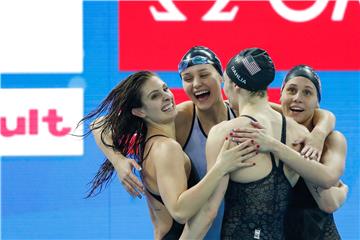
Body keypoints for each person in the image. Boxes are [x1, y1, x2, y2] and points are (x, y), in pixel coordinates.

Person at [92, 46, 336, 239]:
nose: (196, 83)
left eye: (204, 74)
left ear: (222, 78)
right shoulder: (179, 119)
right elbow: (100, 123)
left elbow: (319, 115)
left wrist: (318, 134)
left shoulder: (242, 114)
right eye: (188, 78)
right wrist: (118, 160)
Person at [81, 71, 258, 239]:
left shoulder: (147, 141)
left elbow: (99, 124)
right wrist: (221, 166)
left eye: (165, 89)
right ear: (140, 111)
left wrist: (118, 160)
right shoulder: (167, 148)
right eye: (154, 96)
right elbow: (179, 211)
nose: (166, 96)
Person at [232, 65, 348, 239]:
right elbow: (243, 103)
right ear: (280, 96)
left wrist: (316, 134)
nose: (297, 98)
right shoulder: (269, 128)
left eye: (307, 93)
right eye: (291, 90)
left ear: (317, 102)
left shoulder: (333, 140)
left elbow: (328, 202)